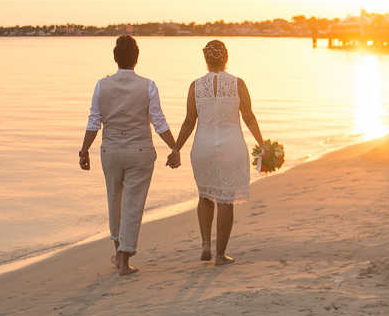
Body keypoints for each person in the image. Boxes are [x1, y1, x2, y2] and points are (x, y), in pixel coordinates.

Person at [78, 36, 180, 276]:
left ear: (115, 58)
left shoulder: (101, 86)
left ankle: (119, 254)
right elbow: (158, 121)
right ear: (137, 58)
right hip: (140, 151)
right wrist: (174, 148)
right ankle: (124, 261)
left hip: (111, 151)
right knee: (132, 206)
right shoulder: (148, 85)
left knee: (114, 202)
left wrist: (84, 151)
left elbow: (94, 122)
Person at [171, 40, 265, 266]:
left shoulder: (195, 86)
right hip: (230, 147)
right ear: (226, 58)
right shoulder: (238, 83)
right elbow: (248, 116)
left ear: (206, 60)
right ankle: (220, 256)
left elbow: (189, 121)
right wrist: (262, 144)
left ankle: (206, 244)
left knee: (205, 195)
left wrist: (176, 148)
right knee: (225, 200)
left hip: (203, 147)